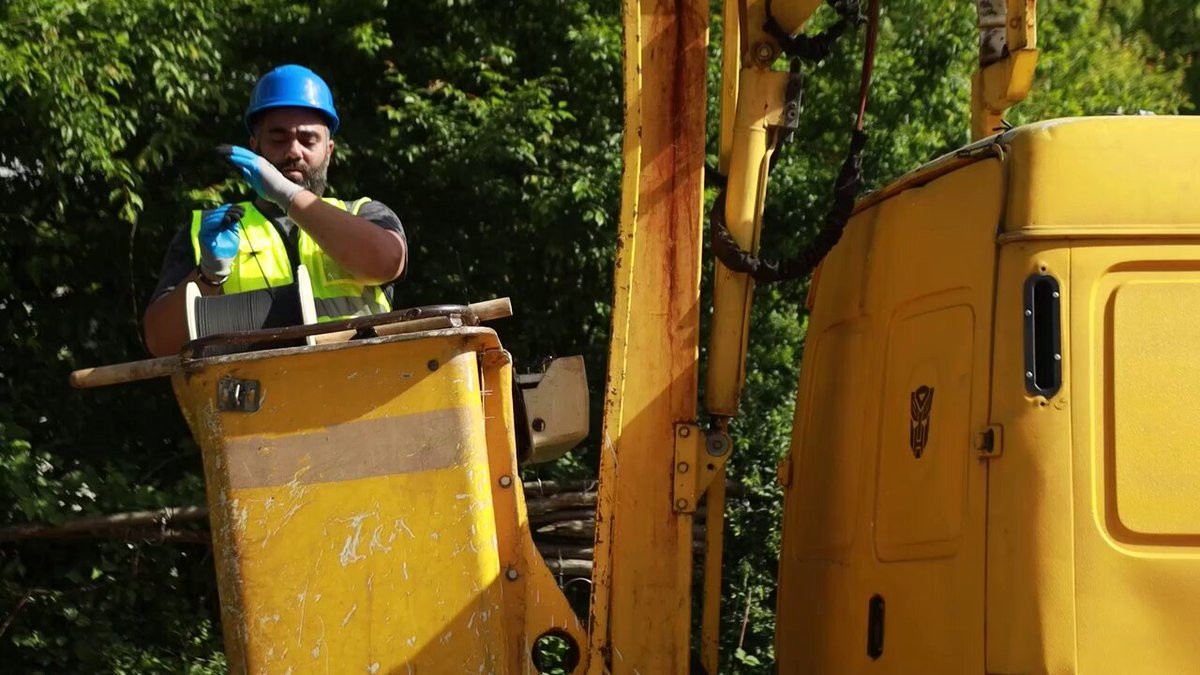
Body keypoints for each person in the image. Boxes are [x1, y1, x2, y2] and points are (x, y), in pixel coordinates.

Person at [143, 65, 407, 357]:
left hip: (361, 381)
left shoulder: (364, 213)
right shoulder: (208, 231)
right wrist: (208, 275)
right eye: (279, 139)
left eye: (308, 140)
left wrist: (287, 193)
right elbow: (161, 344)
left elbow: (386, 263)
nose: (294, 151)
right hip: (251, 386)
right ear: (254, 146)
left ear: (329, 150)